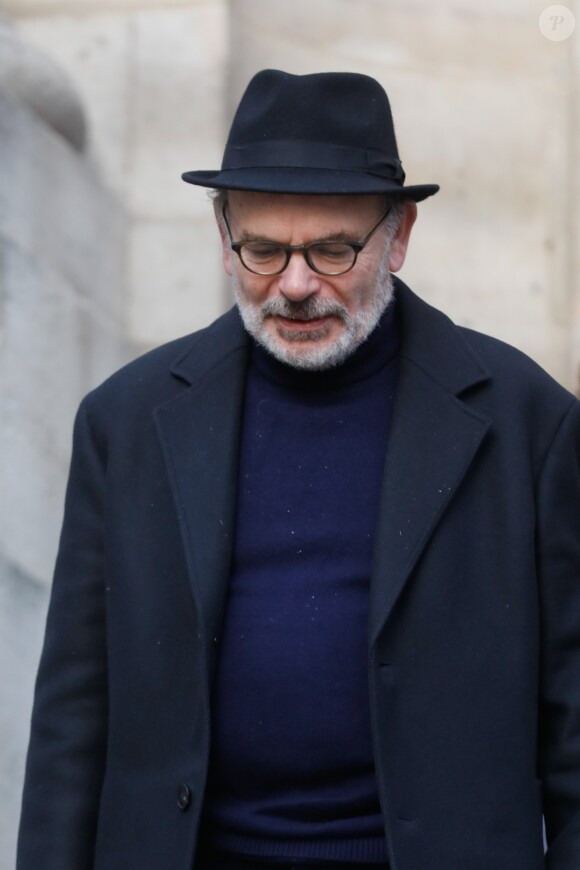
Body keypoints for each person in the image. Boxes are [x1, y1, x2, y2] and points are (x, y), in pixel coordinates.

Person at [16, 68, 580, 870]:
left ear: (401, 235)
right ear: (223, 235)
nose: (295, 285)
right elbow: (71, 732)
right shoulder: (124, 424)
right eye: (263, 248)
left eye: (332, 248)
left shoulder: (534, 425)